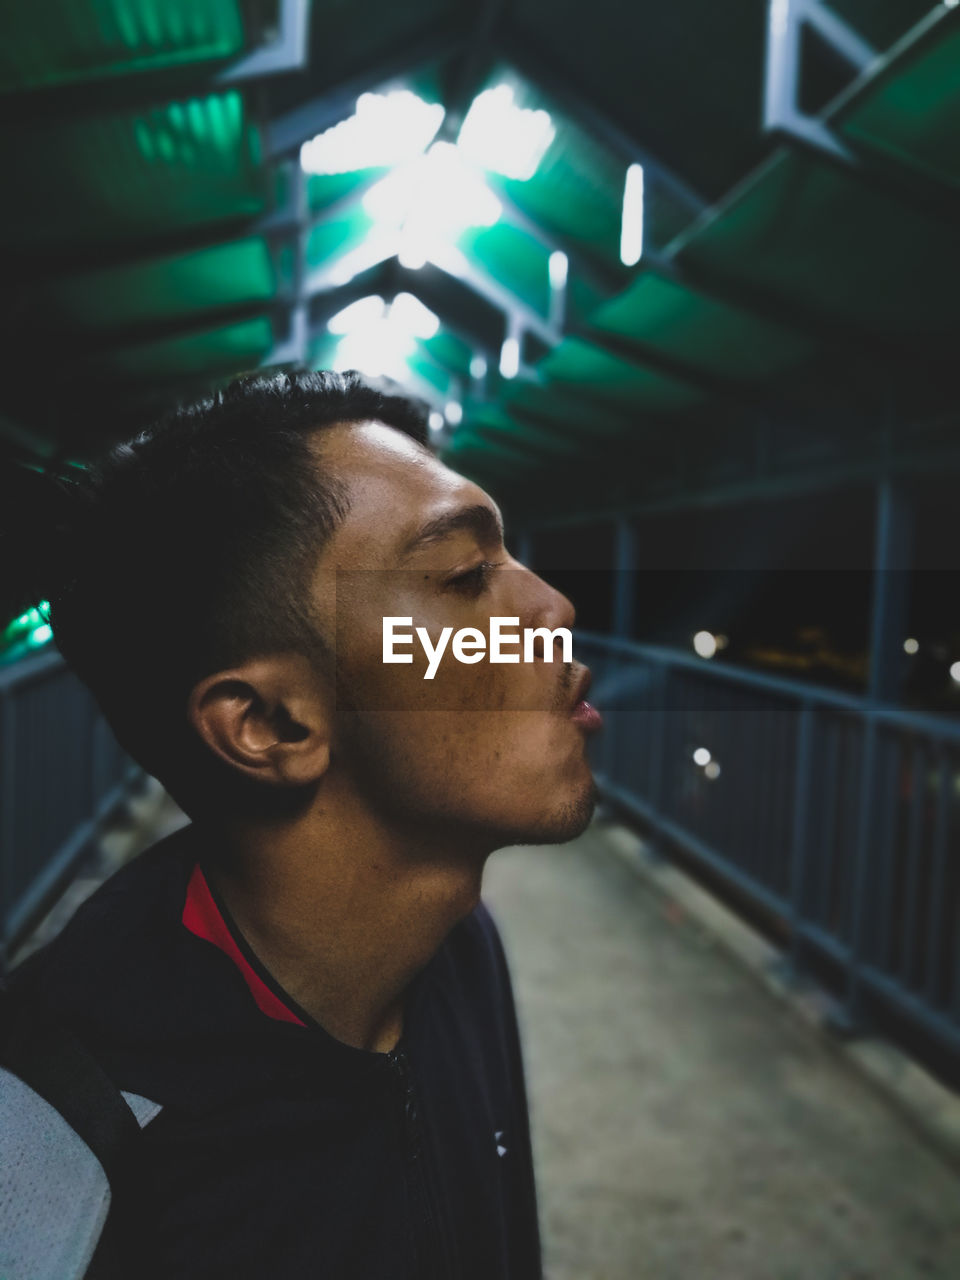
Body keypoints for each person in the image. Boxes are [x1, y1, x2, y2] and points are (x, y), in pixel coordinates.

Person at [0, 370, 602, 1279]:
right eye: (467, 575)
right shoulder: (56, 1144)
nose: (552, 611)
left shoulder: (457, 947)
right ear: (272, 726)